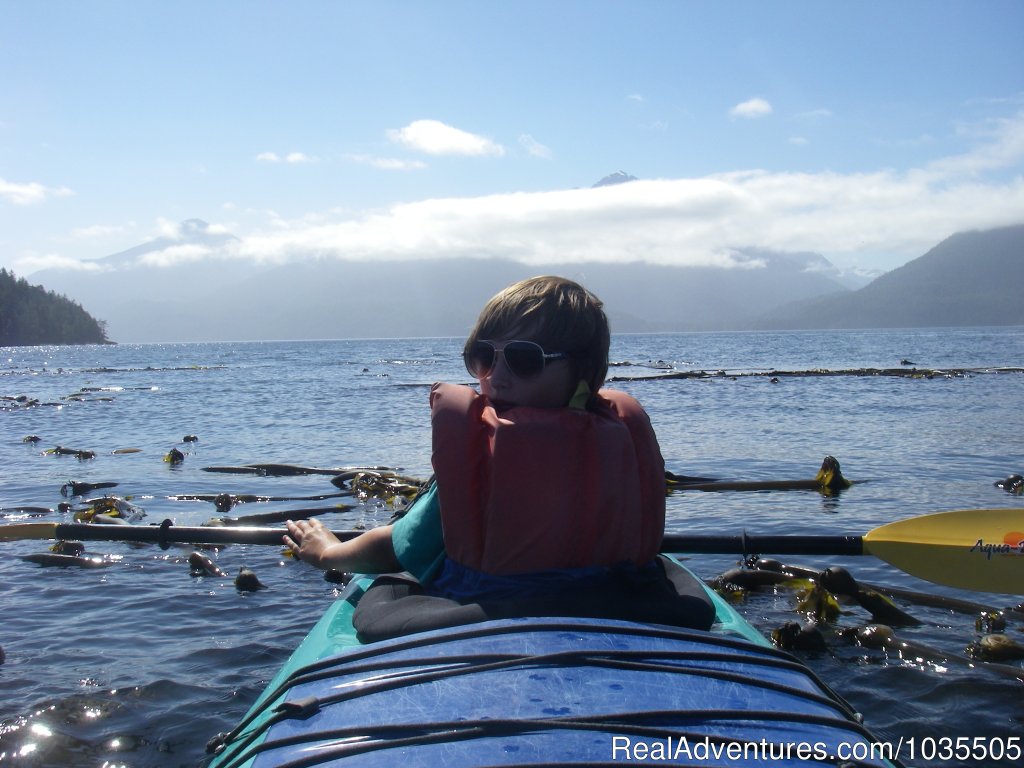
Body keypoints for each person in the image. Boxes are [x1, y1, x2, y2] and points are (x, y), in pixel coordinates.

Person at [285, 276, 714, 637]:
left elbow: (394, 550)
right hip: (623, 599)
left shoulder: (484, 452)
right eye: (483, 355)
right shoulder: (619, 437)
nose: (496, 375)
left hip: (488, 604)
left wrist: (326, 553)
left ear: (582, 372)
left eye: (524, 359)